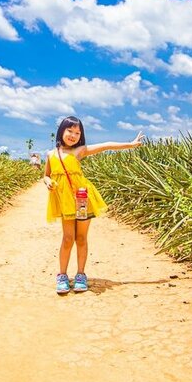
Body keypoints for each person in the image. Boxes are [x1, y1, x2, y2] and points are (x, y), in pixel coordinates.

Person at [44, 116, 145, 294]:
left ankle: (81, 274)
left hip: (82, 198)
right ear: (61, 131)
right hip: (65, 201)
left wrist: (130, 144)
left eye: (77, 133)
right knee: (67, 238)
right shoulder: (51, 154)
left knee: (81, 238)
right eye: (70, 131)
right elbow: (46, 175)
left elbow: (106, 145)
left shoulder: (80, 150)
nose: (73, 135)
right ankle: (62, 275)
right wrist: (48, 182)